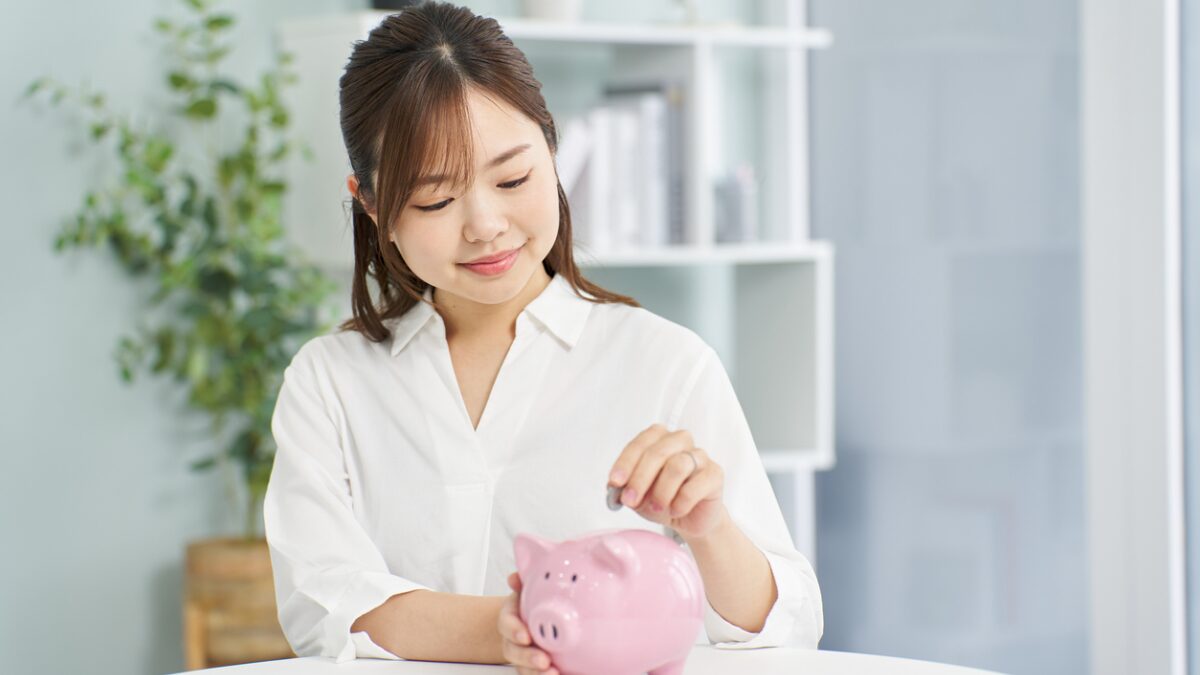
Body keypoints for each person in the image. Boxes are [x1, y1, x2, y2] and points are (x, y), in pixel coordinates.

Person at [263, 2, 823, 673]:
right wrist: (505, 628)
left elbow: (784, 629)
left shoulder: (665, 363)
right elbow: (322, 597)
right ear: (373, 204)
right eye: (436, 200)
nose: (486, 225)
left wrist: (710, 529)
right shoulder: (331, 381)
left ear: (552, 150)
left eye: (513, 178)